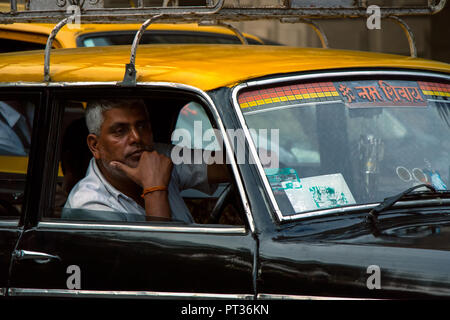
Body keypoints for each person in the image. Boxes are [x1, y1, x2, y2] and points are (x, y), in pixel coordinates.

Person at [63, 99, 229, 223]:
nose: (136, 138)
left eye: (142, 127)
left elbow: (227, 167)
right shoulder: (88, 206)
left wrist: (217, 107)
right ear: (95, 145)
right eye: (120, 131)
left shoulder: (155, 156)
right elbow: (160, 261)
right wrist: (155, 189)